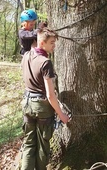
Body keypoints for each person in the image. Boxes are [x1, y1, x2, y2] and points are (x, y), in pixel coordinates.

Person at [20, 27, 70, 170]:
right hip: (41, 107)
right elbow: (50, 94)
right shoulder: (45, 62)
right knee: (42, 146)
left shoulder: (26, 55)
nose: (54, 46)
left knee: (29, 143)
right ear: (42, 43)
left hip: (27, 104)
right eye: (52, 43)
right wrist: (62, 115)